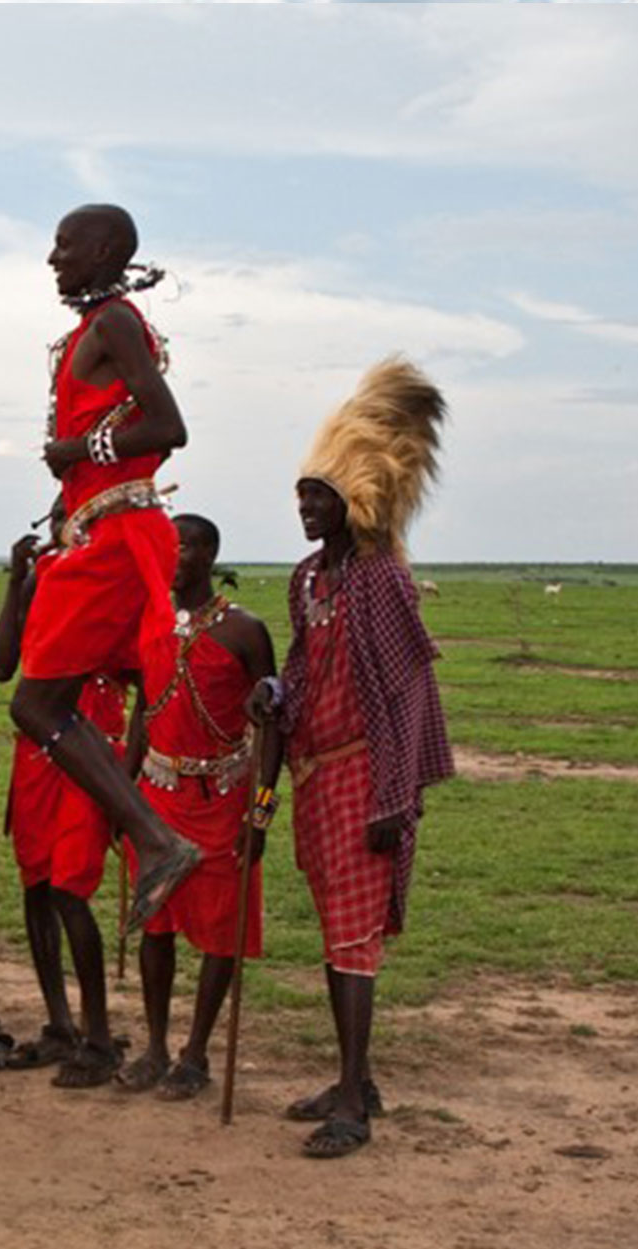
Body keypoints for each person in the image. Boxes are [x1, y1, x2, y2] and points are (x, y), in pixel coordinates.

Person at [250, 357, 452, 1158]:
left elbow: (403, 693)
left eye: (318, 495)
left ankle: (355, 1107)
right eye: (301, 494)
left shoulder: (378, 581)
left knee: (352, 939)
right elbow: (304, 672)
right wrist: (274, 697)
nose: (304, 507)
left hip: (368, 776)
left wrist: (394, 800)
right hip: (315, 775)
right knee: (337, 933)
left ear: (354, 500)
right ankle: (351, 1080)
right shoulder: (310, 580)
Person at [10, 204, 203, 933]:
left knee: (35, 705)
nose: (52, 257)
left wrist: (77, 455)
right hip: (104, 531)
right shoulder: (99, 327)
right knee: (50, 701)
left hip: (115, 536)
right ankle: (150, 836)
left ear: (104, 250)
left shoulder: (115, 323)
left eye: (63, 244)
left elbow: (170, 428)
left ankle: (156, 838)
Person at [118, 514, 277, 1100]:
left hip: (225, 798)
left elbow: (271, 726)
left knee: (219, 934)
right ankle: (156, 1046)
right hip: (156, 798)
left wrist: (260, 813)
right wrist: (121, 794)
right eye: (169, 546)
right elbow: (142, 711)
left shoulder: (245, 632)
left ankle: (195, 1053)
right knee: (154, 925)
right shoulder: (150, 620)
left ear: (210, 554)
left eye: (185, 546)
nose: (175, 555)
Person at [0, 511, 133, 1086]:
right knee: (37, 888)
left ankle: (99, 1039)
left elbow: (140, 673)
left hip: (90, 749)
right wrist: (14, 580)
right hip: (34, 756)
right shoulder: (42, 574)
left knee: (72, 890)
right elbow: (1, 666)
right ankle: (59, 1024)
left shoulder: (111, 577)